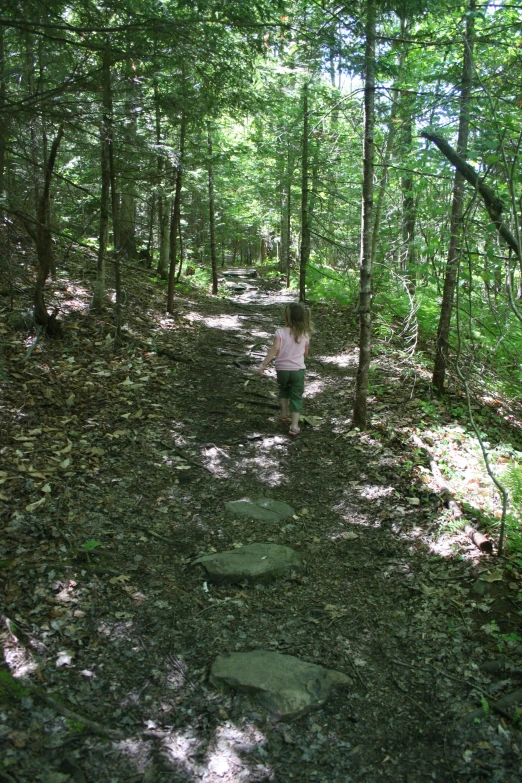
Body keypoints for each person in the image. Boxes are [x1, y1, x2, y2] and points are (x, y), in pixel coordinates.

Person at [257, 302, 311, 436]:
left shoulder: (280, 332)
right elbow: (305, 353)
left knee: (284, 389)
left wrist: (263, 364)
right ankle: (294, 426)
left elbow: (275, 349)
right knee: (296, 396)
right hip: (298, 369)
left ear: (287, 317)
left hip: (282, 369)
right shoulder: (305, 333)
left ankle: (284, 414)